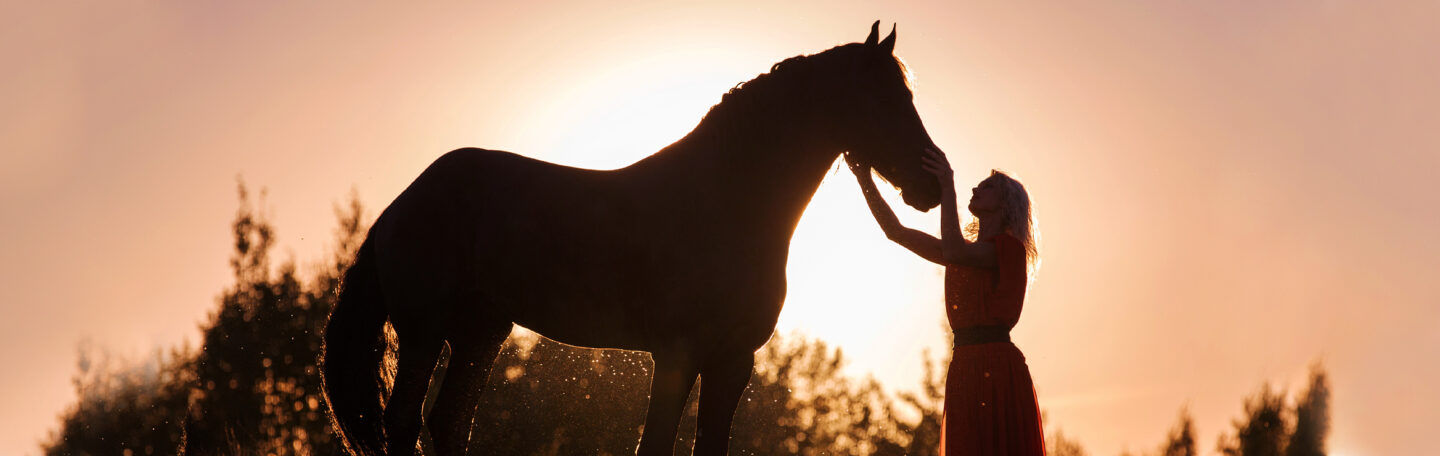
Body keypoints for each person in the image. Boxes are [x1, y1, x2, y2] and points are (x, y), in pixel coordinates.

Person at [848, 148, 1045, 455]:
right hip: (965, 365)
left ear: (1006, 205)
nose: (975, 189)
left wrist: (947, 184)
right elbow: (895, 231)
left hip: (996, 366)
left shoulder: (1007, 248)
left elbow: (954, 251)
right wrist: (864, 179)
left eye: (987, 187)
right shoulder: (964, 253)